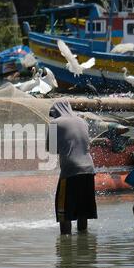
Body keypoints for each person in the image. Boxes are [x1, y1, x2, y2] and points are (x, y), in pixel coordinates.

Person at [47, 101, 97, 235]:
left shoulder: (54, 123)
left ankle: (66, 247)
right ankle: (84, 245)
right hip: (88, 170)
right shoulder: (82, 121)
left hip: (71, 170)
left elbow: (51, 149)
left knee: (63, 213)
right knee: (83, 211)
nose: (53, 117)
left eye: (53, 114)